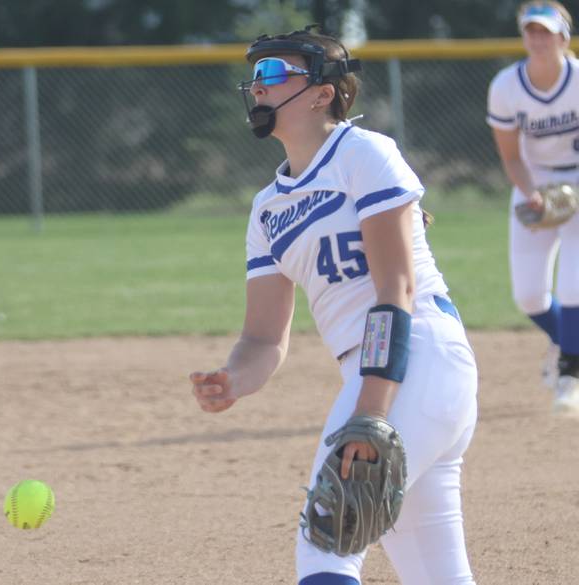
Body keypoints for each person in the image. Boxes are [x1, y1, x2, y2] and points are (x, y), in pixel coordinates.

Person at [189, 26, 478, 584]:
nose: (258, 87)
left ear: (322, 92)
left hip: (414, 357)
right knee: (436, 573)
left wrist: (370, 412)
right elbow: (264, 339)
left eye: (274, 74)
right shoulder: (267, 209)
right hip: (390, 375)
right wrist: (234, 377)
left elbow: (396, 293)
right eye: (254, 77)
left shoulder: (362, 153)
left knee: (328, 542)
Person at [487, 1, 579, 412]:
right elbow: (510, 156)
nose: (537, 38)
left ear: (564, 36)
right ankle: (566, 342)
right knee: (528, 296)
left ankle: (569, 374)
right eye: (531, 31)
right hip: (534, 182)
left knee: (574, 286)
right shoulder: (507, 86)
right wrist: (531, 194)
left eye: (546, 31)